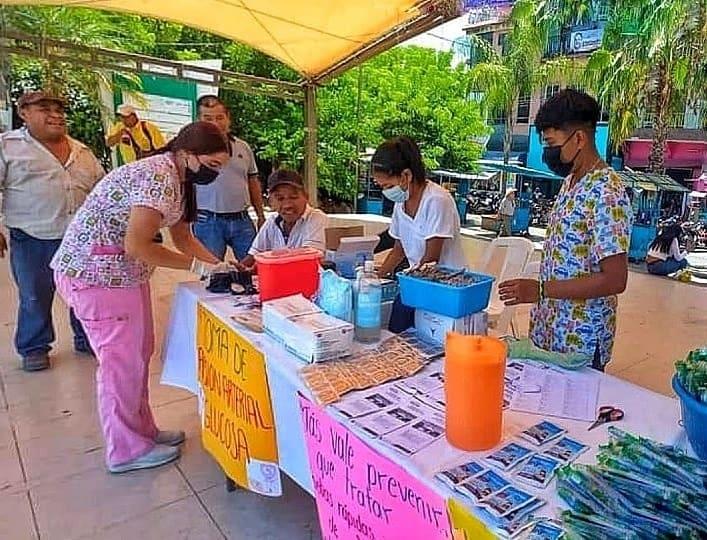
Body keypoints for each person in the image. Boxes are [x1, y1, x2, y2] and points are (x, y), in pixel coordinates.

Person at [51, 121, 231, 474]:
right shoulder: (158, 175)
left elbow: (183, 239)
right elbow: (138, 244)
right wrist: (201, 268)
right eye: (211, 166)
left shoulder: (178, 179)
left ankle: (142, 430)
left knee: (139, 354)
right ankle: (125, 450)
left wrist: (221, 265)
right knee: (120, 365)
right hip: (97, 276)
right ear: (186, 153)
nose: (214, 175)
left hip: (123, 277)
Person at [499, 89, 631, 371]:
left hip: (580, 338)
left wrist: (542, 290)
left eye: (551, 142)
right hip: (549, 330)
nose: (548, 152)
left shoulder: (607, 191)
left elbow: (615, 280)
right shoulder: (571, 181)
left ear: (579, 138)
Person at [0, 90, 104, 371]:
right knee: (34, 295)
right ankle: (34, 347)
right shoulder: (8, 147)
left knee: (84, 292)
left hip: (79, 239)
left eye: (59, 110)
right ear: (24, 113)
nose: (55, 115)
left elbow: (101, 191)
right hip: (32, 237)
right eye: (45, 109)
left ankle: (85, 338)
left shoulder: (82, 151)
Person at [373, 136, 466, 333]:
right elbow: (399, 249)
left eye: (388, 186)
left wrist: (407, 284)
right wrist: (375, 278)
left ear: (406, 176)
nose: (386, 192)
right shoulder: (401, 204)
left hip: (444, 286)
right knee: (396, 332)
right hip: (418, 284)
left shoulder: (436, 200)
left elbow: (431, 260)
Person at [193, 95, 266, 260]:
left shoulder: (243, 147)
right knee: (212, 273)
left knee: (255, 267)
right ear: (199, 120)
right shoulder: (192, 149)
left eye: (220, 117)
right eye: (208, 118)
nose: (215, 123)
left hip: (242, 220)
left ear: (228, 118)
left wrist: (260, 215)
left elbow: (253, 181)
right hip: (207, 221)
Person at [238, 169, 327, 268]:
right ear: (271, 202)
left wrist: (268, 264)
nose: (287, 205)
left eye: (293, 197)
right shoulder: (272, 222)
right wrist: (239, 268)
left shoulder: (316, 218)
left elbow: (308, 258)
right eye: (280, 199)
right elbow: (254, 254)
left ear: (306, 197)